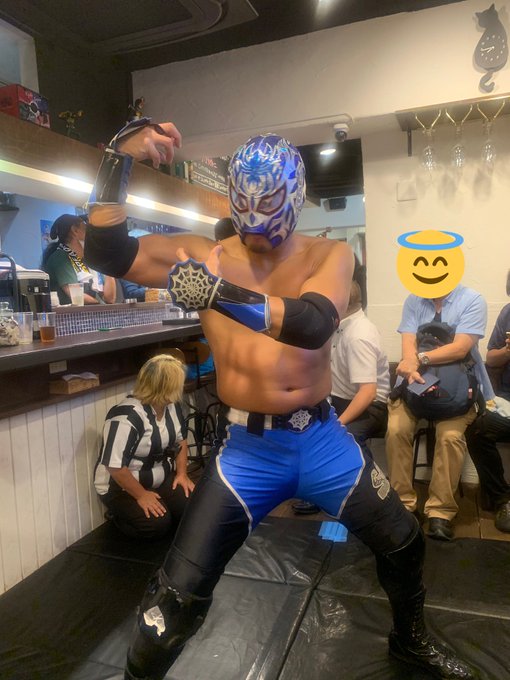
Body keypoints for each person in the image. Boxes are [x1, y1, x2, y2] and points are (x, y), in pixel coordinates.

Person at [84, 118, 478, 680]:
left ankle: (409, 641)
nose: (256, 222)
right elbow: (106, 251)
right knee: (174, 600)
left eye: (267, 206)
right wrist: (119, 151)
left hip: (320, 438)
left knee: (405, 543)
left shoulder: (327, 255)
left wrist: (216, 292)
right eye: (246, 207)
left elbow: (312, 324)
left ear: (293, 199)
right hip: (248, 449)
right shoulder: (204, 252)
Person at [386, 284, 493, 542]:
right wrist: (410, 363)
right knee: (396, 430)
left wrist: (418, 359)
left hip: (459, 388)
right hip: (415, 382)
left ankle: (440, 511)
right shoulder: (414, 300)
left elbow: (460, 348)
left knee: (450, 437)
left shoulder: (473, 300)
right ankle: (404, 505)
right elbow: (408, 343)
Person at [293, 279, 390, 515]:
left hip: (370, 406)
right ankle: (322, 492)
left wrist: (337, 424)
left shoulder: (358, 335)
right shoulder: (340, 327)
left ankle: (370, 496)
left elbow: (367, 393)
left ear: (339, 304)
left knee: (344, 437)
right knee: (305, 428)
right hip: (340, 399)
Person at [94, 354, 195, 539]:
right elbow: (114, 467)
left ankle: (160, 502)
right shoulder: (126, 417)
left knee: (190, 508)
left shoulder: (171, 407)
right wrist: (141, 495)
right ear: (165, 386)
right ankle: (117, 516)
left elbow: (181, 441)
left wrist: (182, 474)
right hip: (121, 486)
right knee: (157, 525)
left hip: (157, 477)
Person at [465, 304, 510, 533]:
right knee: (477, 428)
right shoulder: (507, 312)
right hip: (507, 402)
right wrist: (507, 351)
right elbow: (491, 359)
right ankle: (503, 499)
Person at [42, 213, 116, 305]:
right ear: (75, 230)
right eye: (86, 229)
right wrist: (102, 305)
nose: (91, 236)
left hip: (93, 312)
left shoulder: (89, 261)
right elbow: (77, 297)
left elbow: (110, 299)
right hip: (70, 314)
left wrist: (107, 262)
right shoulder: (60, 258)